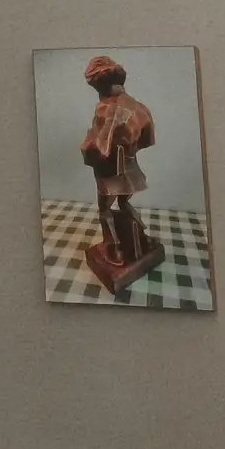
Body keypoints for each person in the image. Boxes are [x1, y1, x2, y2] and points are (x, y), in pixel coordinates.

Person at [79, 55, 158, 285]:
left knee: (105, 209)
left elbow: (101, 148)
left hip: (109, 170)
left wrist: (86, 145)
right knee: (124, 203)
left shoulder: (105, 108)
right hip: (131, 168)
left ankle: (114, 249)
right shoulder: (140, 107)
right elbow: (148, 139)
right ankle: (140, 237)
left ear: (100, 85)